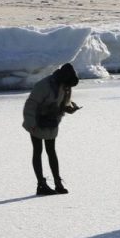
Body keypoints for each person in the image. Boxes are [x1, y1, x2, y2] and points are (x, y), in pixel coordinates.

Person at [22, 63, 82, 195]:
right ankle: (41, 185)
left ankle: (57, 182)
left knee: (51, 151)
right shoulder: (43, 85)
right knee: (38, 150)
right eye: (68, 85)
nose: (69, 88)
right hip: (36, 121)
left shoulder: (65, 85)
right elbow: (30, 104)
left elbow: (64, 102)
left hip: (52, 122)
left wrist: (70, 107)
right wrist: (31, 123)